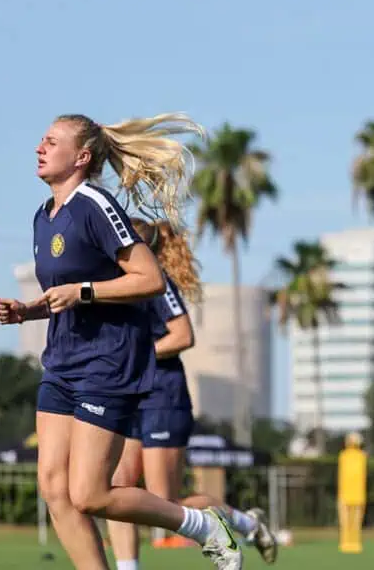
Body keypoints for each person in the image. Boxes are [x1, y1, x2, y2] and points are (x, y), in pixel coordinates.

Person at [0, 113, 242, 570]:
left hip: (107, 364)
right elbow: (66, 294)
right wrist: (27, 311)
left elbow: (148, 278)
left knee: (89, 494)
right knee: (54, 489)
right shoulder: (43, 217)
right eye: (40, 140)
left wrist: (84, 292)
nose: (39, 148)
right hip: (62, 364)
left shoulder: (95, 204)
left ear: (82, 157)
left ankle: (203, 526)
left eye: (51, 141)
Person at [105, 217, 277, 569]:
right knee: (115, 489)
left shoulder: (156, 281)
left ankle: (245, 524)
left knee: (162, 501)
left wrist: (136, 356)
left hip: (163, 398)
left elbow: (183, 335)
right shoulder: (117, 284)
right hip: (129, 397)